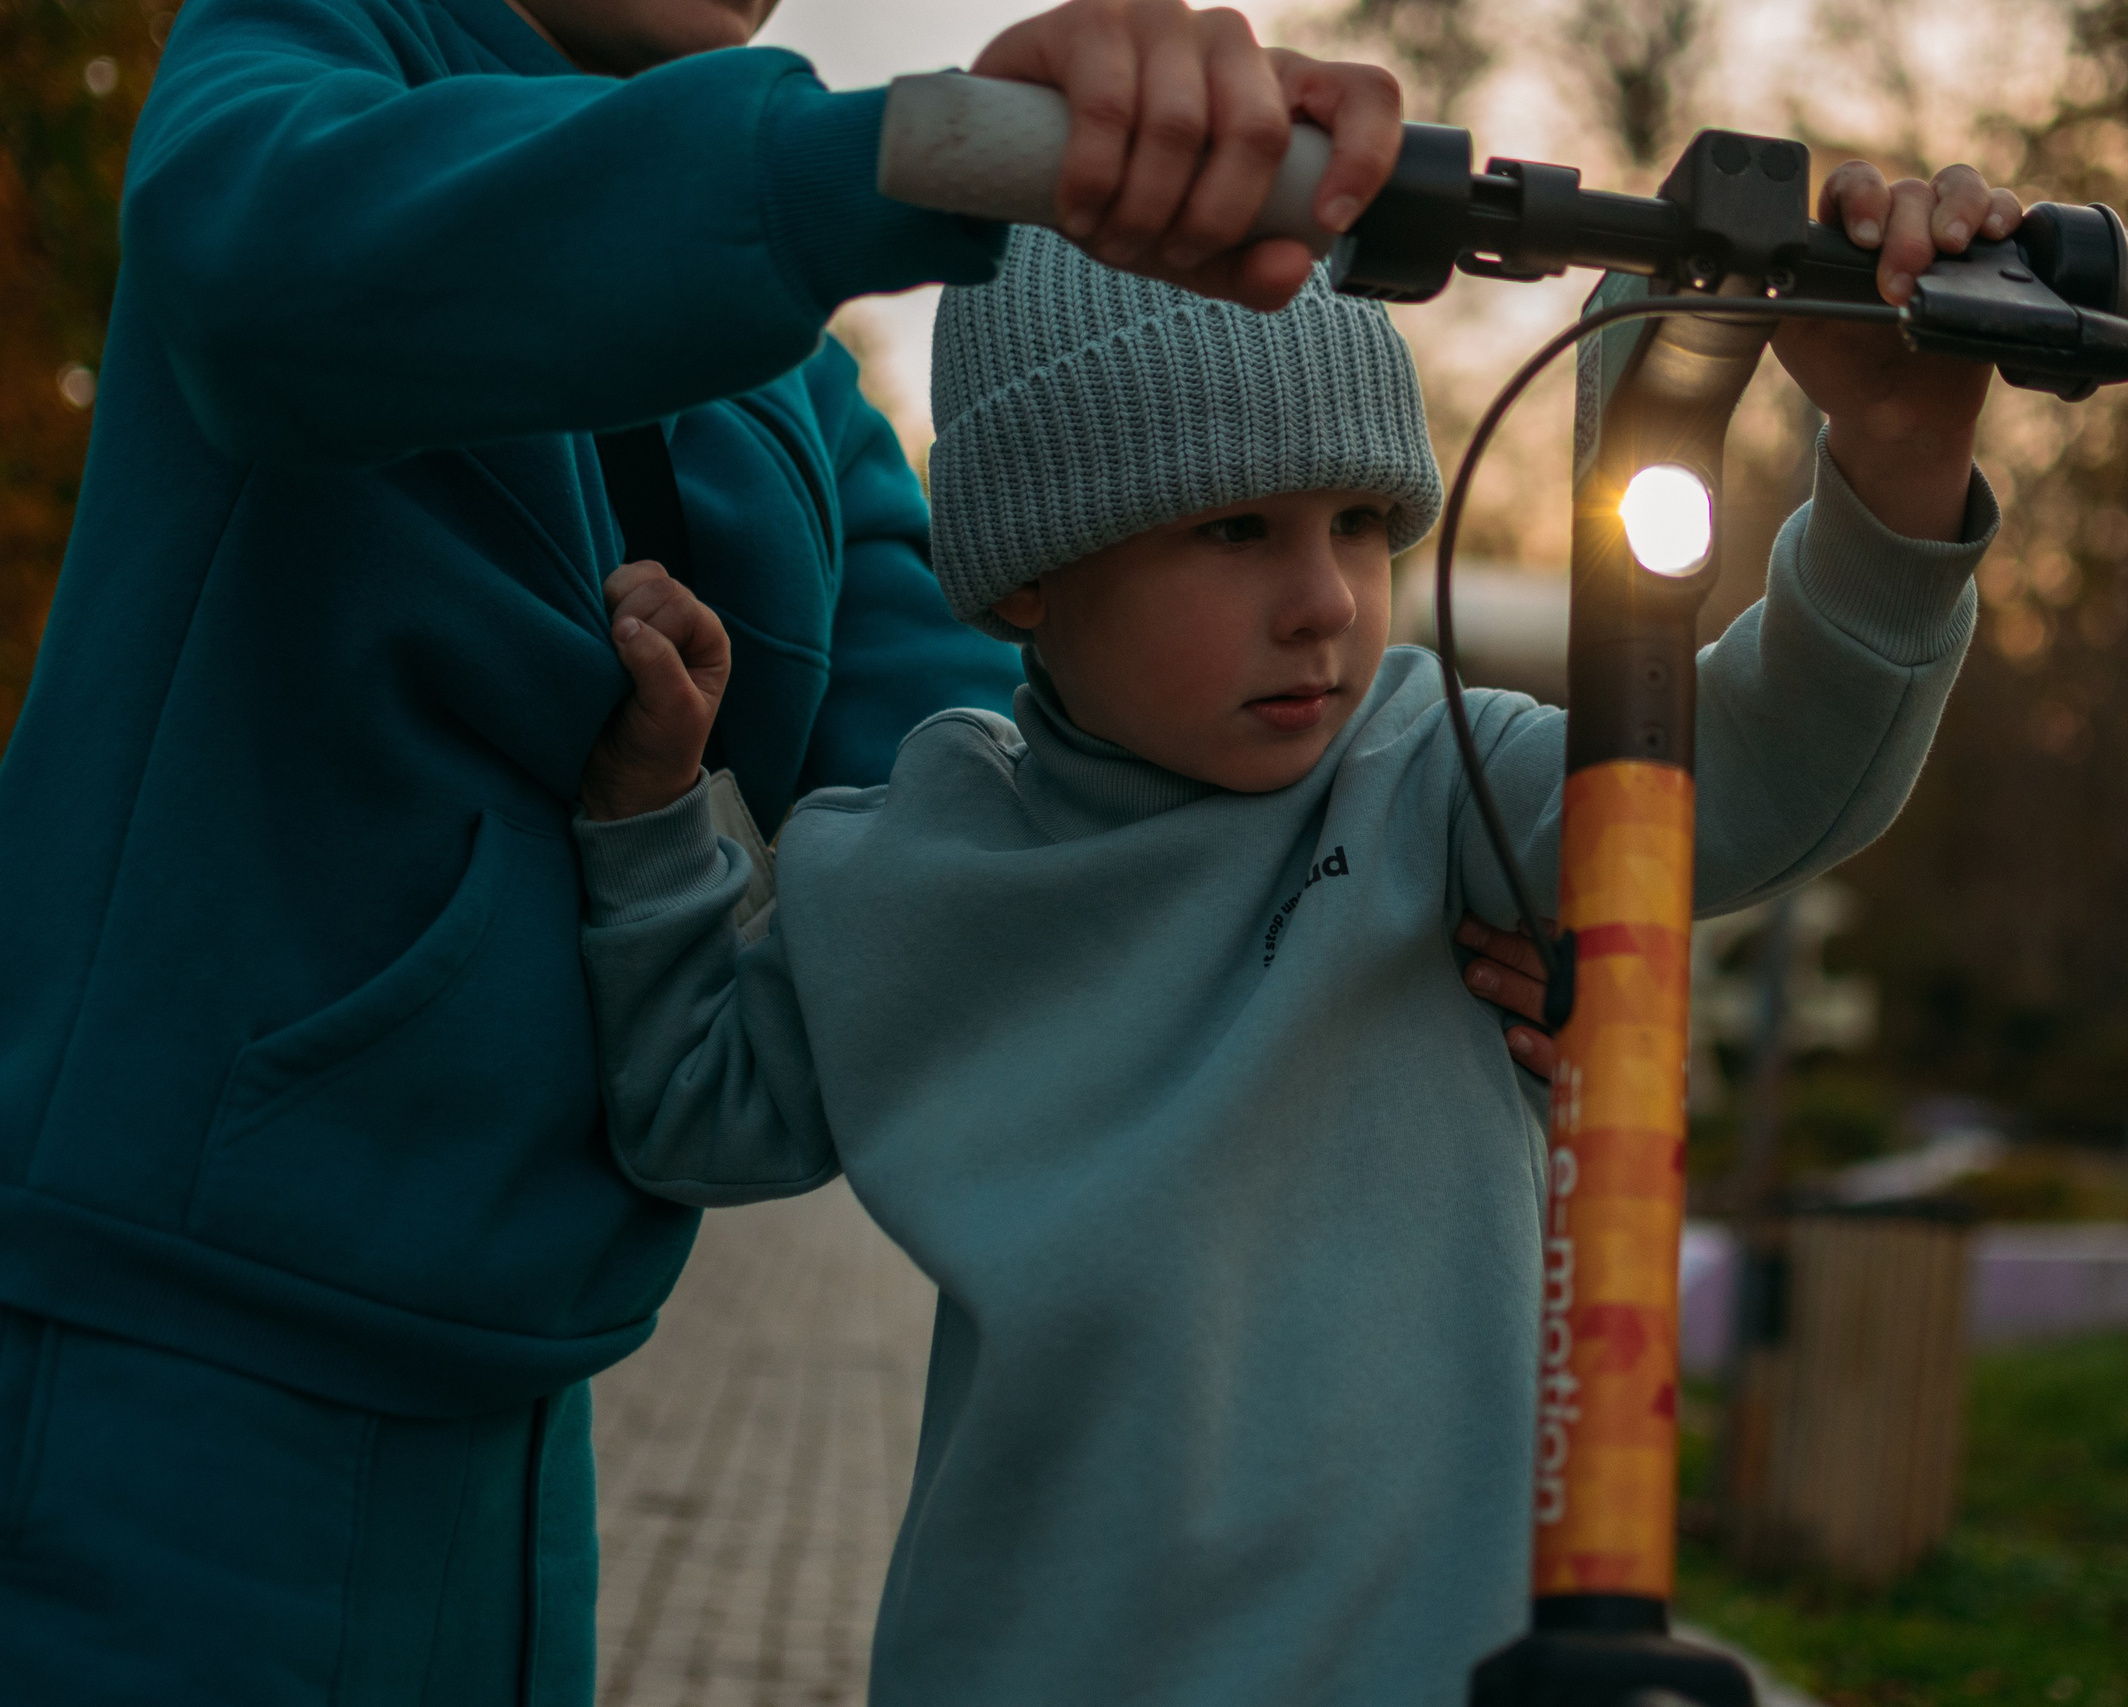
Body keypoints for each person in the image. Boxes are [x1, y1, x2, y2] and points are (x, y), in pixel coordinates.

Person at [0, 0, 1410, 1699]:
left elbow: (1029, 811)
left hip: (528, 1416)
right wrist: (912, 149)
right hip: (159, 1386)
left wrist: (1393, 918)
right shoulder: (312, 50)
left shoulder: (791, 392)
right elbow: (269, 273)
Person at [568, 164, 2014, 1705]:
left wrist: (1900, 461)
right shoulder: (908, 869)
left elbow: (1753, 783)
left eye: (1360, 522)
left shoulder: (1434, 779)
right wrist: (652, 809)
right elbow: (697, 1114)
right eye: (1238, 528)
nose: (1325, 598)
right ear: (1034, 574)